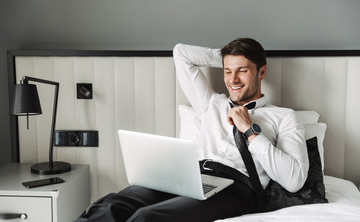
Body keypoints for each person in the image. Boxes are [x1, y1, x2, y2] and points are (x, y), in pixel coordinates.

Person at [76, 38, 309, 222]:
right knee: (108, 206)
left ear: (262, 71)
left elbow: (294, 180)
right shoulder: (212, 103)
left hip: (237, 188)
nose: (233, 79)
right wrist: (229, 58)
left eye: (243, 71)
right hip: (187, 177)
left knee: (148, 218)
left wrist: (249, 130)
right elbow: (181, 52)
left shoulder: (284, 117)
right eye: (227, 71)